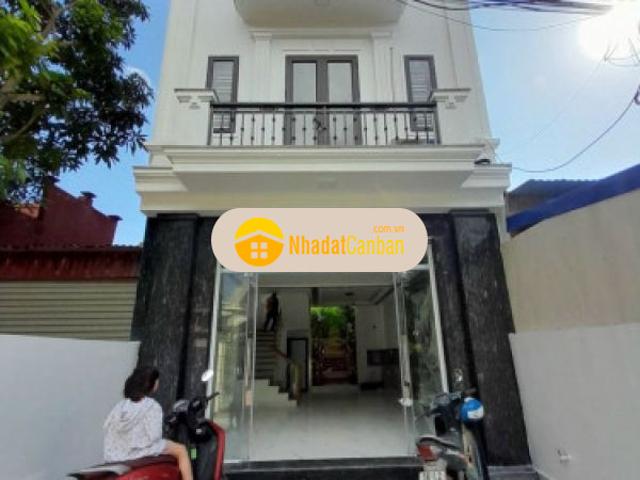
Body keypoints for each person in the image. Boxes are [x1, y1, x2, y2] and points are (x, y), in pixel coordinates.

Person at [103, 366, 193, 480]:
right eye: (157, 380)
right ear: (151, 384)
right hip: (137, 452)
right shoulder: (151, 405)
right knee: (181, 450)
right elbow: (154, 437)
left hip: (115, 454)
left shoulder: (120, 406)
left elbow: (110, 430)